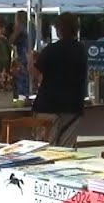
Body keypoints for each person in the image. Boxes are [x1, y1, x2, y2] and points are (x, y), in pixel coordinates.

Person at [31, 13, 88, 148]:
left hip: (48, 105)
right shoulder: (81, 50)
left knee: (45, 149)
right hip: (73, 106)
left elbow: (36, 73)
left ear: (59, 29)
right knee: (66, 150)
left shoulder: (51, 49)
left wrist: (30, 61)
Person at [10, 11, 30, 96]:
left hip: (22, 60)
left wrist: (16, 31)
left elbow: (11, 41)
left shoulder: (21, 29)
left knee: (21, 87)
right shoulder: (31, 29)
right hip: (26, 59)